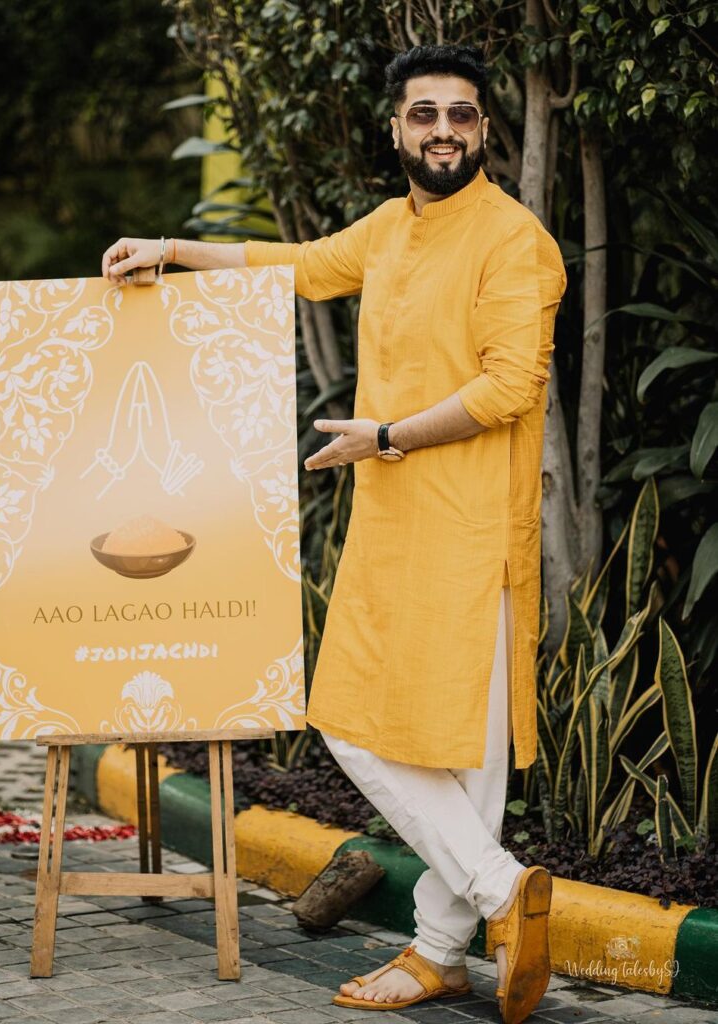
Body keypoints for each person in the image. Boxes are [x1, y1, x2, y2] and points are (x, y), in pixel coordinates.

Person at [103, 43, 565, 1024]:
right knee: (355, 719)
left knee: (467, 754)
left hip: (476, 529)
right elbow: (304, 268)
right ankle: (497, 891)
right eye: (425, 113)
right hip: (394, 529)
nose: (443, 129)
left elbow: (510, 383)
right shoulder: (394, 230)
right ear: (395, 128)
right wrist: (173, 252)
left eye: (463, 115)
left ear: (483, 131)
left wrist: (386, 435)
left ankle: (446, 943)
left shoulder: (511, 239)